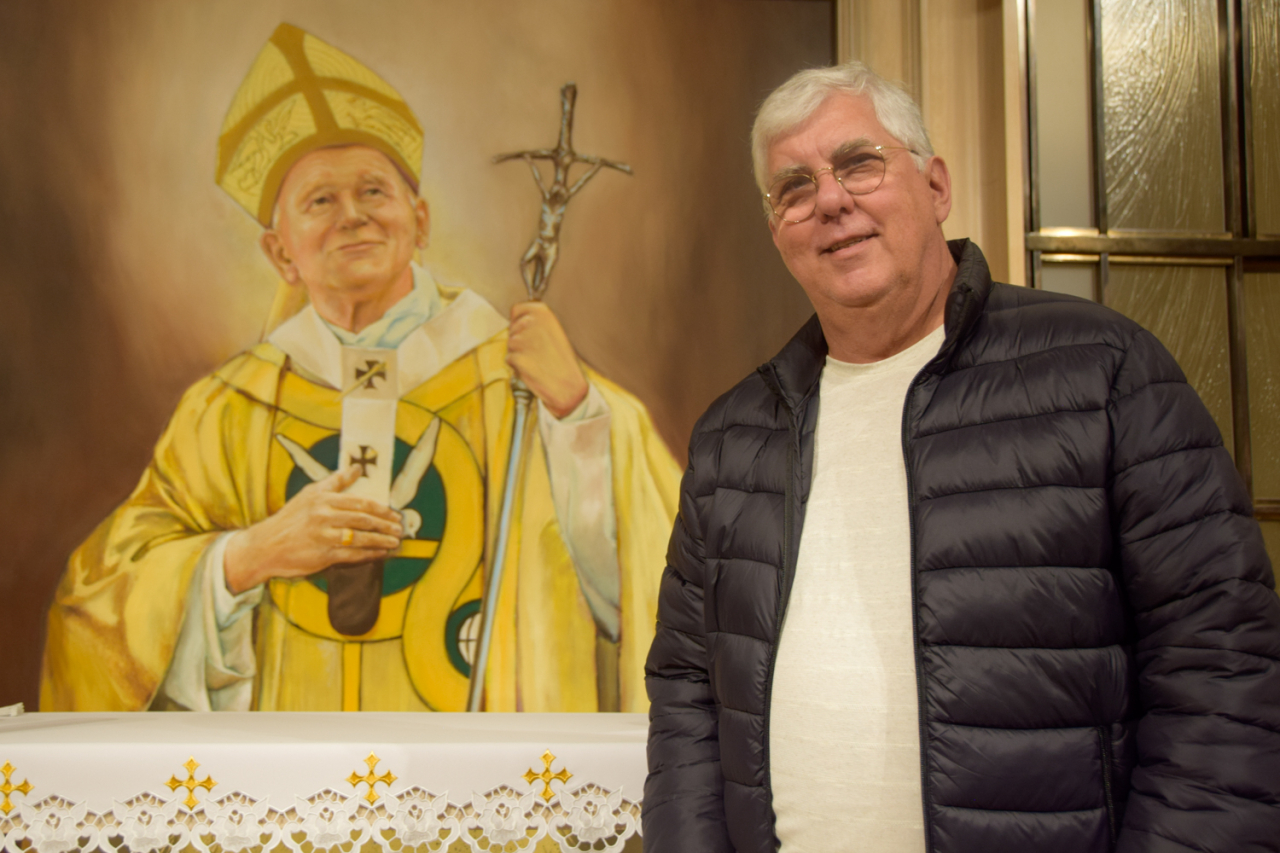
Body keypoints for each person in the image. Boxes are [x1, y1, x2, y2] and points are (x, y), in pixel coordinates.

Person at [643, 61, 1280, 853]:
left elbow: (1222, 667)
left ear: (936, 186)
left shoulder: (1103, 373)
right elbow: (688, 690)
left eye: (858, 163)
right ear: (778, 230)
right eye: (794, 187)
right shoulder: (732, 437)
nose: (830, 201)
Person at [41, 23, 680, 713]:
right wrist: (250, 554)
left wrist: (577, 413)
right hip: (286, 766)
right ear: (280, 253)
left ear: (420, 220)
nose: (352, 216)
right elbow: (96, 610)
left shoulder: (521, 382)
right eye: (320, 200)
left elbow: (654, 573)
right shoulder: (226, 411)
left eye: (374, 191)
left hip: (474, 760)